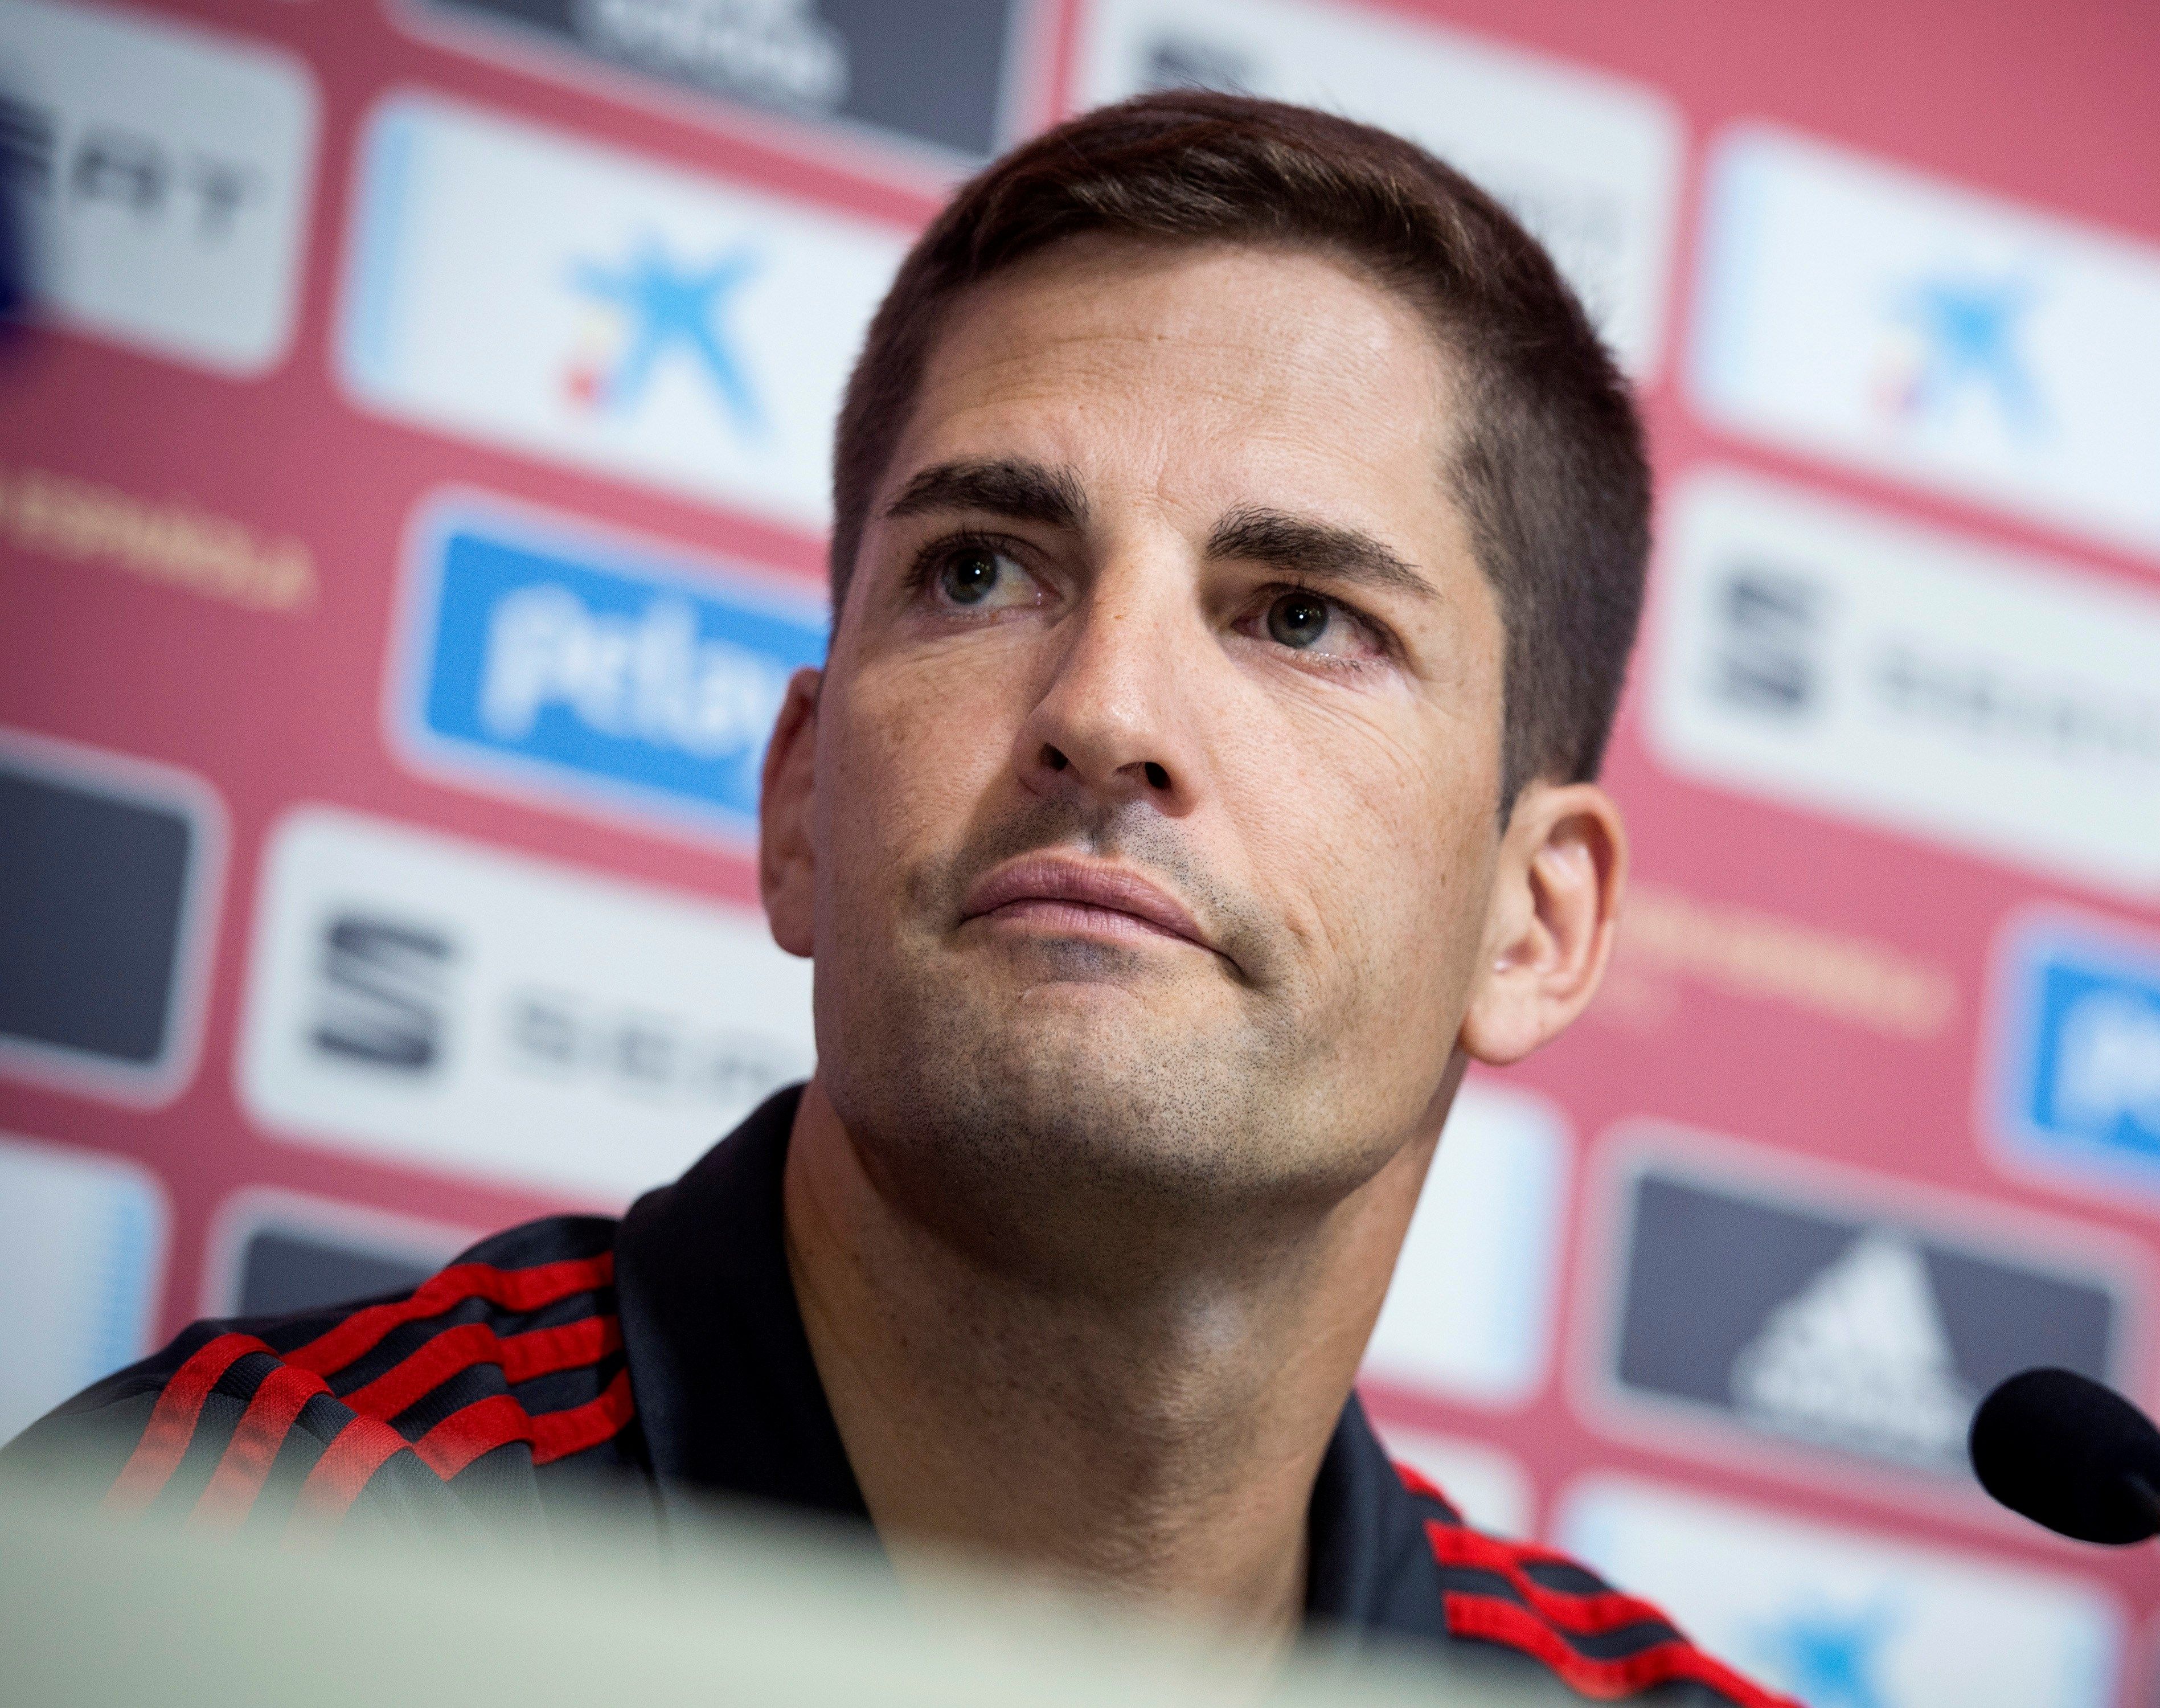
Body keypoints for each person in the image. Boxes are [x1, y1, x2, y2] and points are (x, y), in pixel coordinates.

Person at [5, 91, 1781, 1705]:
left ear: (1533, 921)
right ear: (796, 797)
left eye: (1300, 613)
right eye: (982, 570)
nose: (1103, 711)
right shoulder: (228, 1586)